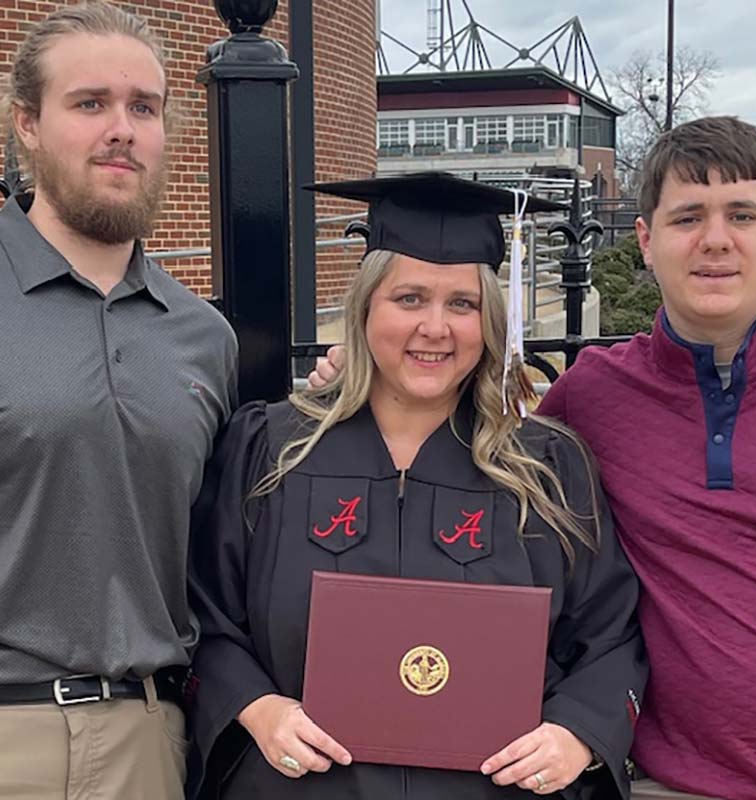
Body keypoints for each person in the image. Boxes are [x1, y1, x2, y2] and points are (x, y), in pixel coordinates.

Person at [311, 119, 756, 800]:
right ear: (645, 240)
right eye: (688, 216)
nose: (715, 239)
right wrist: (366, 371)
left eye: (742, 215)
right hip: (672, 781)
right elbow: (475, 458)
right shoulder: (594, 397)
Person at [186, 172, 647, 800]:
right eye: (409, 299)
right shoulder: (273, 449)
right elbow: (205, 615)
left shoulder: (547, 468)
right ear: (366, 307)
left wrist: (576, 733)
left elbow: (611, 633)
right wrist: (258, 708)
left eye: (462, 304)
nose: (436, 327)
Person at [0, 3, 237, 798]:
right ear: (27, 124)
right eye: (90, 103)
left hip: (146, 739)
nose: (122, 129)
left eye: (144, 107)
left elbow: (223, 546)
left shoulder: (203, 336)